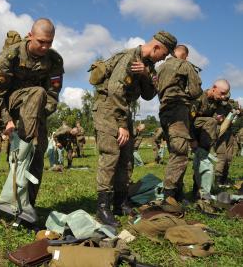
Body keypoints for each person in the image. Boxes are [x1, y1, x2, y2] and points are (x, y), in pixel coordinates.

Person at [90, 31, 176, 226]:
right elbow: (114, 89)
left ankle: (120, 203)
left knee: (127, 159)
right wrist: (121, 124)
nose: (163, 58)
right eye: (163, 54)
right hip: (108, 108)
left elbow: (149, 94)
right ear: (156, 47)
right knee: (111, 156)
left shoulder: (149, 66)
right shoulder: (130, 57)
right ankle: (102, 208)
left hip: (123, 110)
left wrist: (146, 75)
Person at [0, 18, 64, 225]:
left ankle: (26, 206)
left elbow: (53, 97)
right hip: (12, 106)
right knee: (36, 92)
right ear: (30, 35)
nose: (45, 47)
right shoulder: (11, 55)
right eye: (41, 41)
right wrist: (7, 121)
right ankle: (10, 204)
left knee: (37, 156)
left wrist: (38, 121)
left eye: (49, 42)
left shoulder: (54, 61)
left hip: (37, 112)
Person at [157, 44, 203, 202]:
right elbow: (196, 90)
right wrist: (187, 95)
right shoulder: (184, 64)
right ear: (185, 55)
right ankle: (169, 195)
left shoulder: (161, 67)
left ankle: (178, 192)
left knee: (174, 152)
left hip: (163, 111)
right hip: (178, 111)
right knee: (180, 154)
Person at [191, 79, 231, 200]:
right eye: (222, 93)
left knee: (203, 161)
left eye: (225, 94)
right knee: (211, 121)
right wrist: (192, 139)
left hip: (204, 135)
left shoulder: (216, 102)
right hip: (191, 129)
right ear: (214, 87)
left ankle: (198, 190)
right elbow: (187, 120)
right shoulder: (199, 97)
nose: (223, 97)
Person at [214, 98, 239, 187]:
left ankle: (223, 180)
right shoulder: (216, 106)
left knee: (228, 157)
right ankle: (217, 181)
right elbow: (217, 120)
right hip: (220, 132)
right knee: (221, 157)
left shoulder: (230, 107)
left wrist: (236, 112)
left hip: (229, 133)